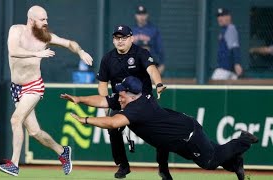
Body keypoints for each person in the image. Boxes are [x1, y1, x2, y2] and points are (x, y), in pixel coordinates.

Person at [60, 76, 259, 180]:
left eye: (121, 93)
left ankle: (243, 140)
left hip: (187, 135)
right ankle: (236, 165)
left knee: (209, 161)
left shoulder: (137, 108)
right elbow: (103, 100)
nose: (117, 95)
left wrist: (85, 120)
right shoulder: (130, 99)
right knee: (200, 154)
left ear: (131, 95)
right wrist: (79, 99)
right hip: (177, 135)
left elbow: (112, 123)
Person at [0, 5, 93, 176]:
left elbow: (69, 43)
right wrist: (36, 55)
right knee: (34, 132)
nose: (46, 22)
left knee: (15, 120)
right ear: (31, 20)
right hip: (16, 88)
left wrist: (81, 52)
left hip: (34, 86)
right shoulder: (16, 30)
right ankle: (62, 151)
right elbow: (13, 51)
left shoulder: (45, 37)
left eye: (46, 19)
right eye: (42, 19)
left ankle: (14, 164)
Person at [97, 24, 169, 179]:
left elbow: (151, 69)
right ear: (113, 40)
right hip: (121, 101)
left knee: (162, 135)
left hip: (143, 102)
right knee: (112, 127)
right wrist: (105, 107)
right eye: (117, 38)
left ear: (131, 38)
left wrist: (159, 84)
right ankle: (123, 165)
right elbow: (102, 83)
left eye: (123, 38)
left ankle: (163, 167)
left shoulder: (141, 53)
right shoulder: (108, 59)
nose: (120, 41)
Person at [211, 8, 243, 80]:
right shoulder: (224, 29)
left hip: (225, 69)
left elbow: (235, 47)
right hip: (228, 69)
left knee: (212, 88)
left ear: (229, 17)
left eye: (222, 16)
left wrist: (237, 63)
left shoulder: (230, 28)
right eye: (218, 16)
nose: (219, 18)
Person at [132, 5, 165, 74]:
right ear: (136, 16)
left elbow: (160, 48)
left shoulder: (153, 30)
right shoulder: (132, 31)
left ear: (147, 15)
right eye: (139, 14)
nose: (141, 16)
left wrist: (161, 64)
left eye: (143, 14)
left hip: (151, 63)